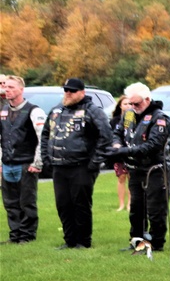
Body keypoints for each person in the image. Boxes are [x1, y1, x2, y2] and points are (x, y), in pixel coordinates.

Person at [40, 77, 113, 249]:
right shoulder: (57, 110)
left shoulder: (93, 111)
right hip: (59, 165)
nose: (68, 93)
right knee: (63, 204)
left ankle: (83, 241)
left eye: (72, 90)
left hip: (81, 165)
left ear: (82, 92)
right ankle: (69, 240)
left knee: (80, 204)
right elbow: (45, 135)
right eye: (66, 90)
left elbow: (106, 136)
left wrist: (95, 162)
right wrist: (46, 158)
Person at [111, 83, 170, 251]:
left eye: (137, 104)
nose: (133, 107)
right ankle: (136, 241)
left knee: (155, 208)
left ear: (147, 99)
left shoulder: (159, 118)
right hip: (135, 168)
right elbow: (117, 132)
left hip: (154, 169)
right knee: (136, 208)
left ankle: (156, 243)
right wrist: (117, 145)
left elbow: (152, 146)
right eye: (131, 103)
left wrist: (125, 150)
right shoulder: (129, 114)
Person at [0, 75, 47, 244]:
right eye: (6, 87)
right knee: (10, 203)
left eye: (12, 87)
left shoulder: (34, 110)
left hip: (26, 163)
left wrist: (37, 162)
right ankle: (15, 235)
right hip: (7, 163)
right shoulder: (3, 110)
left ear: (21, 89)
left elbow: (42, 138)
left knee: (27, 202)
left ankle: (27, 236)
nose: (8, 90)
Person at [110, 96, 132, 212]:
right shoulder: (114, 121)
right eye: (125, 104)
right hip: (118, 153)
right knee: (121, 178)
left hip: (131, 152)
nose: (127, 106)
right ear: (120, 106)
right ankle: (121, 204)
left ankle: (130, 204)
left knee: (131, 178)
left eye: (129, 104)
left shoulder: (134, 118)